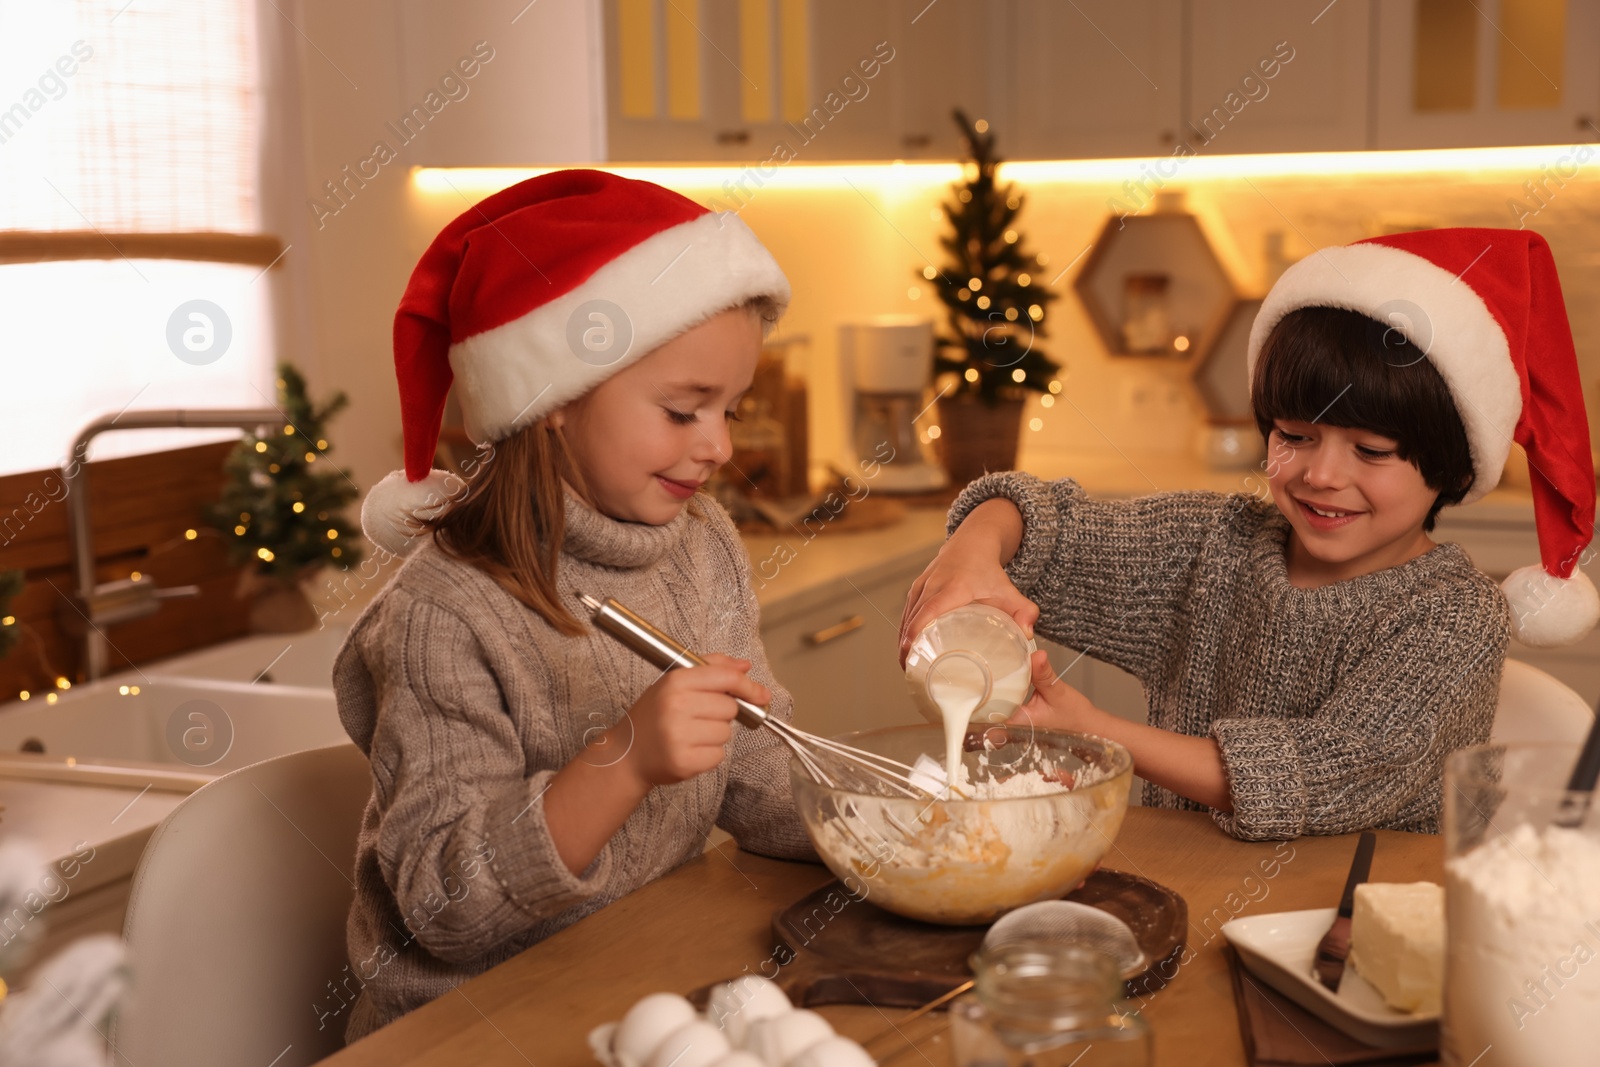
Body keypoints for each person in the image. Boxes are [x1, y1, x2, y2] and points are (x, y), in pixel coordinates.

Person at [901, 228, 1598, 841]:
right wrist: (972, 552)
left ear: (1448, 464)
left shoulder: (1455, 616)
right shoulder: (1214, 544)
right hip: (1187, 892)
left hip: (1359, 934)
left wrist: (1100, 734)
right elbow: (1047, 526)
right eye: (1295, 436)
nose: (1322, 474)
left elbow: (1328, 770)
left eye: (1371, 450)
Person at [329, 170, 815, 1041]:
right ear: (551, 401)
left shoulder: (702, 548)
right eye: (682, 409)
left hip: (627, 980)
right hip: (466, 1029)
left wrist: (900, 830)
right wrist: (625, 758)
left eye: (730, 408)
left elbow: (755, 775)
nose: (720, 445)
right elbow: (443, 905)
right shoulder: (447, 613)